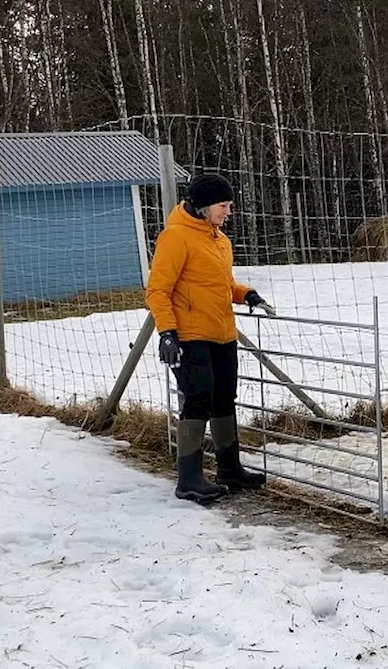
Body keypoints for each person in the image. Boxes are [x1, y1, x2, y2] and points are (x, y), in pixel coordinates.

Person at [145, 173, 270, 503]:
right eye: (223, 206)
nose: (228, 211)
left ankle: (229, 469)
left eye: (229, 205)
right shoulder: (176, 238)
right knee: (198, 399)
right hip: (190, 334)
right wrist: (168, 333)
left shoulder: (219, 240)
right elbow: (158, 290)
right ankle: (189, 478)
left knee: (225, 398)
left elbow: (224, 285)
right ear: (202, 207)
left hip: (222, 332)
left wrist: (248, 295)